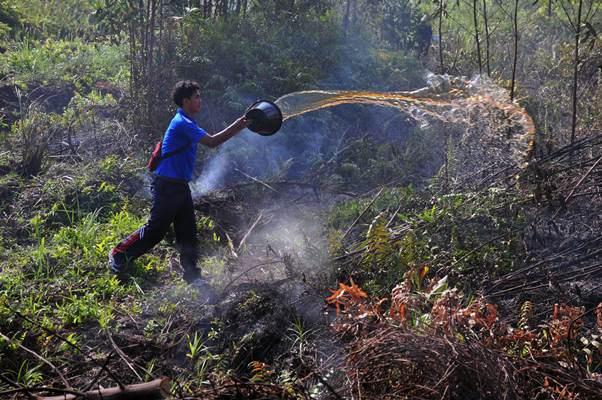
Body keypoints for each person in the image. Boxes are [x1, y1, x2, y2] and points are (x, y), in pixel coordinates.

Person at [109, 80, 250, 283]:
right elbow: (212, 142)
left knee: (187, 231)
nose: (200, 101)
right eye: (196, 97)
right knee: (156, 230)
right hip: (167, 185)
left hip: (180, 186)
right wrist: (239, 124)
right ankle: (119, 253)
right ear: (185, 101)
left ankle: (192, 274)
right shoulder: (182, 123)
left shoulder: (189, 122)